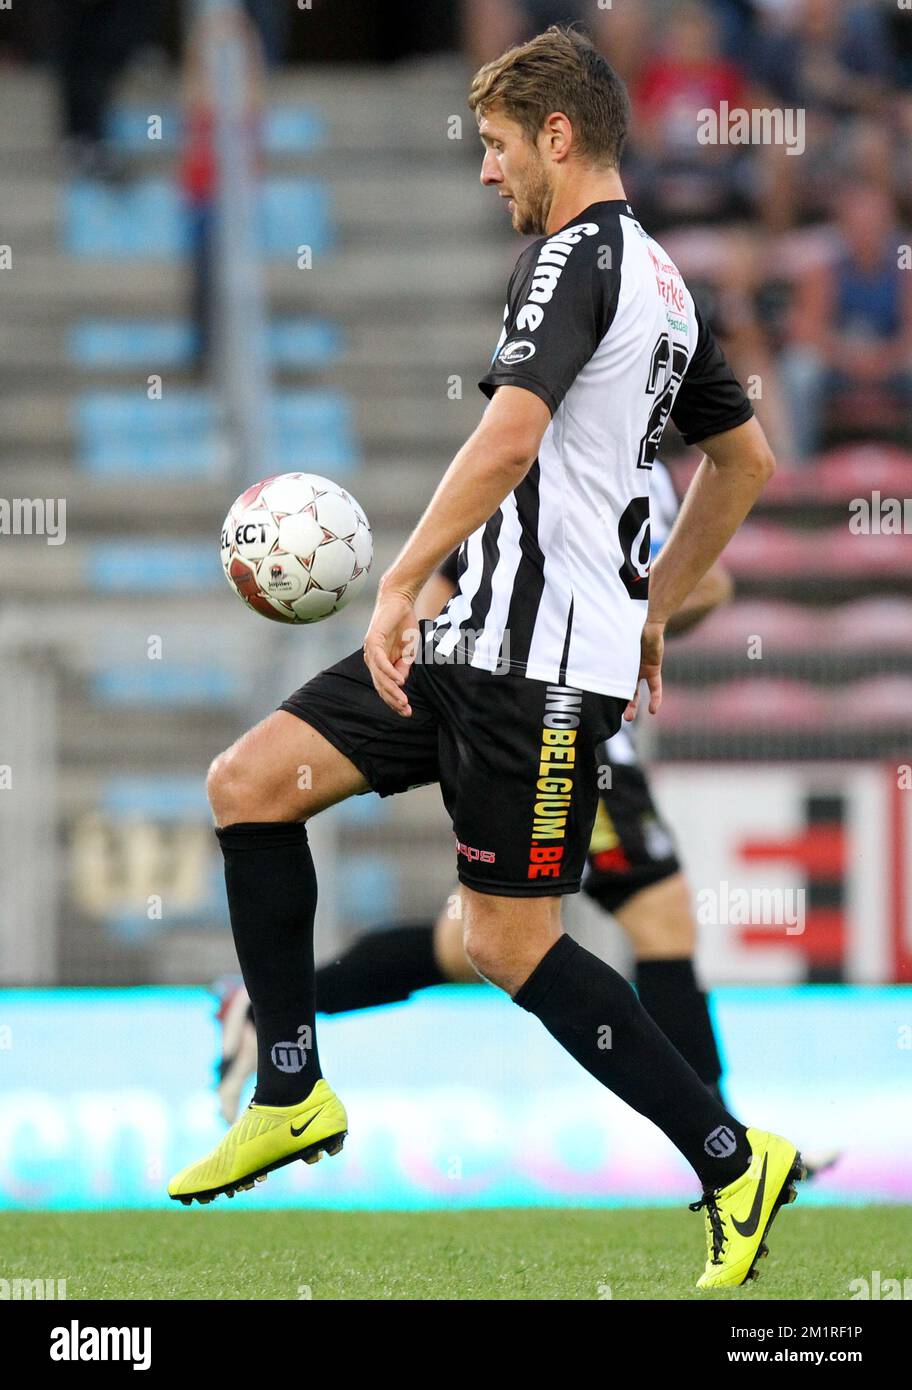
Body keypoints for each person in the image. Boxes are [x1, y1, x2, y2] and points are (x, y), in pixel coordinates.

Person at [169, 27, 800, 1290]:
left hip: (533, 667)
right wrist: (658, 608)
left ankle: (734, 1160)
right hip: (483, 640)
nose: (487, 174)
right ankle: (291, 1085)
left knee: (510, 945)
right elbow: (746, 461)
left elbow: (513, 438)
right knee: (246, 785)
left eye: (499, 147)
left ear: (557, 137)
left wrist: (400, 577)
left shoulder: (570, 259)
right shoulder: (665, 283)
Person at [215, 462, 735, 1127]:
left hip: (572, 715)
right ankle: (725, 1134)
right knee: (633, 921)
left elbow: (704, 573)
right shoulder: (550, 454)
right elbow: (448, 592)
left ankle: (268, 1008)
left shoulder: (609, 456)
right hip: (547, 716)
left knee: (477, 943)